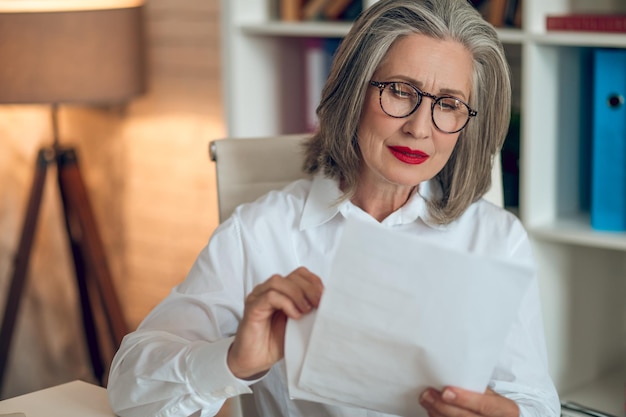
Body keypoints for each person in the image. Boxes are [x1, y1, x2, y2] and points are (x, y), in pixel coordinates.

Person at [107, 0, 560, 416]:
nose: (420, 128)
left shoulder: (496, 239)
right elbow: (130, 390)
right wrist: (231, 361)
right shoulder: (261, 233)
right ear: (353, 92)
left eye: (449, 104)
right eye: (401, 91)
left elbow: (536, 401)